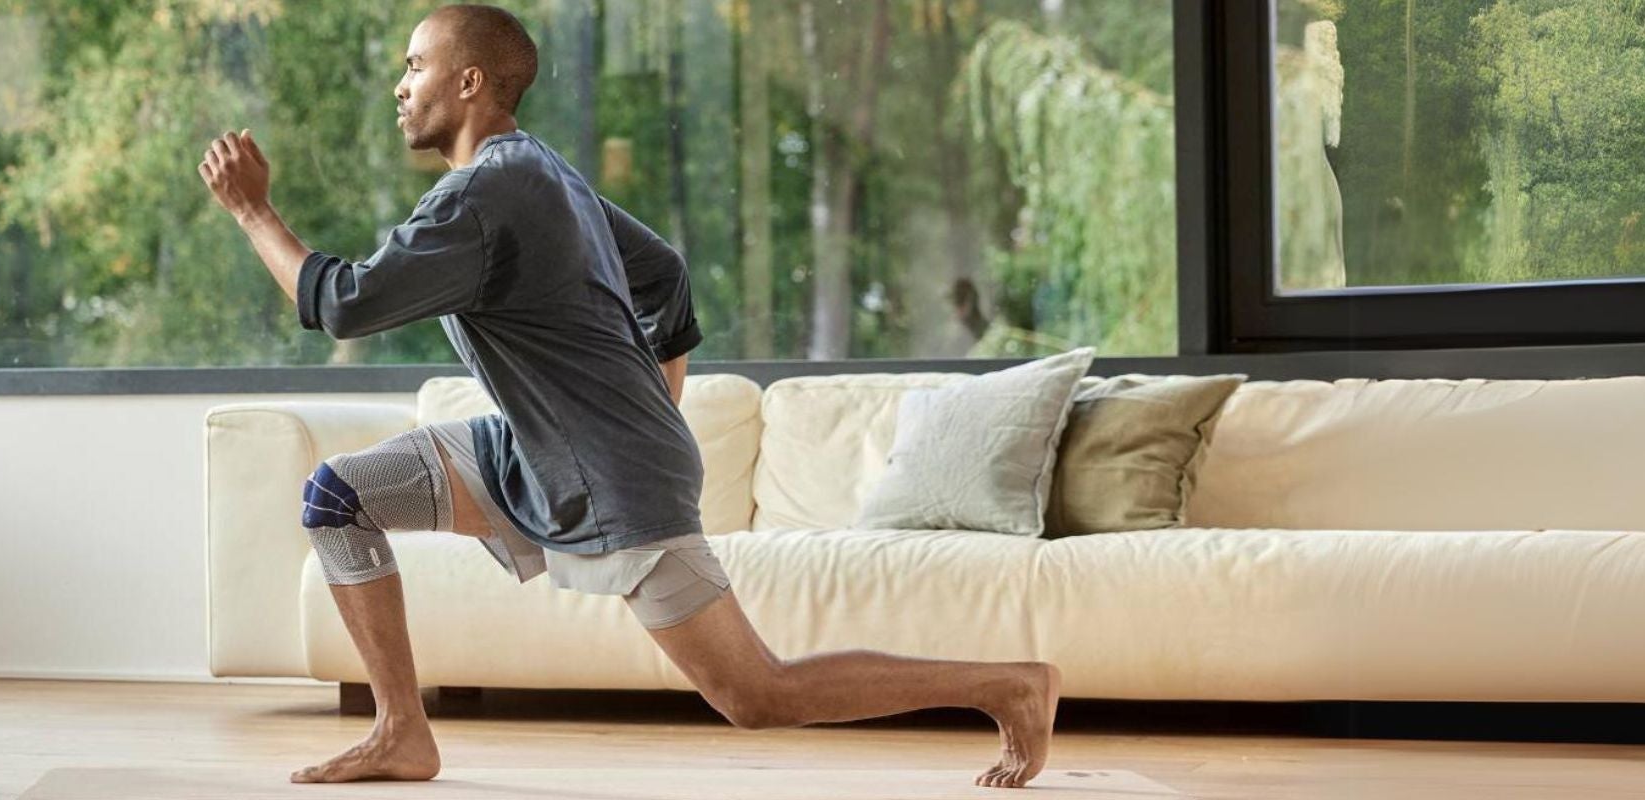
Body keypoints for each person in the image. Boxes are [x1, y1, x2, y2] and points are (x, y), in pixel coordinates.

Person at [196, 4, 1058, 790]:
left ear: (469, 82)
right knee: (338, 498)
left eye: (415, 64)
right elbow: (667, 279)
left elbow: (341, 301)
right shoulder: (540, 173)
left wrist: (252, 211)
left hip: (612, 473)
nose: (400, 83)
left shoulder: (483, 196)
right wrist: (645, 406)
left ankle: (1006, 686)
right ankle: (401, 731)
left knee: (757, 694)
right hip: (533, 447)